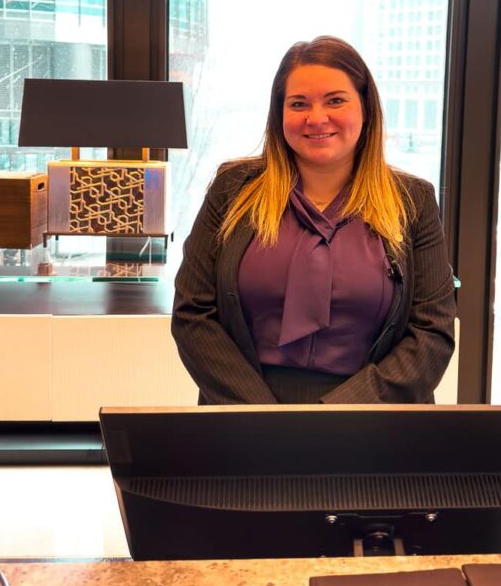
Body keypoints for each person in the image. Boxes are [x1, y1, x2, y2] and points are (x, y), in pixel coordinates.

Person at [171, 36, 456, 404]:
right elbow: (194, 314)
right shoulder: (233, 190)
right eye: (298, 104)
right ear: (280, 114)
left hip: (372, 417)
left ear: (366, 107)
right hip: (242, 414)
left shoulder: (411, 200)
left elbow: (432, 332)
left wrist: (333, 417)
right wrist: (262, 418)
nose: (316, 118)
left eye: (335, 100)